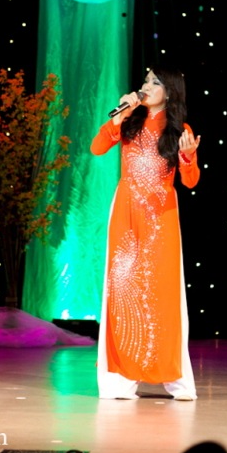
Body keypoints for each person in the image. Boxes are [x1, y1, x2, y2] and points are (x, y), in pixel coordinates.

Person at [91, 66, 201, 400]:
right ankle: (122, 377)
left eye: (155, 82)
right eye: (145, 81)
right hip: (125, 214)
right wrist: (119, 116)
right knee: (123, 289)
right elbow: (97, 148)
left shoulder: (179, 129)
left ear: (170, 90)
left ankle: (171, 376)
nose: (146, 86)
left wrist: (188, 156)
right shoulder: (130, 120)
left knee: (161, 293)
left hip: (161, 217)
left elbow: (191, 181)